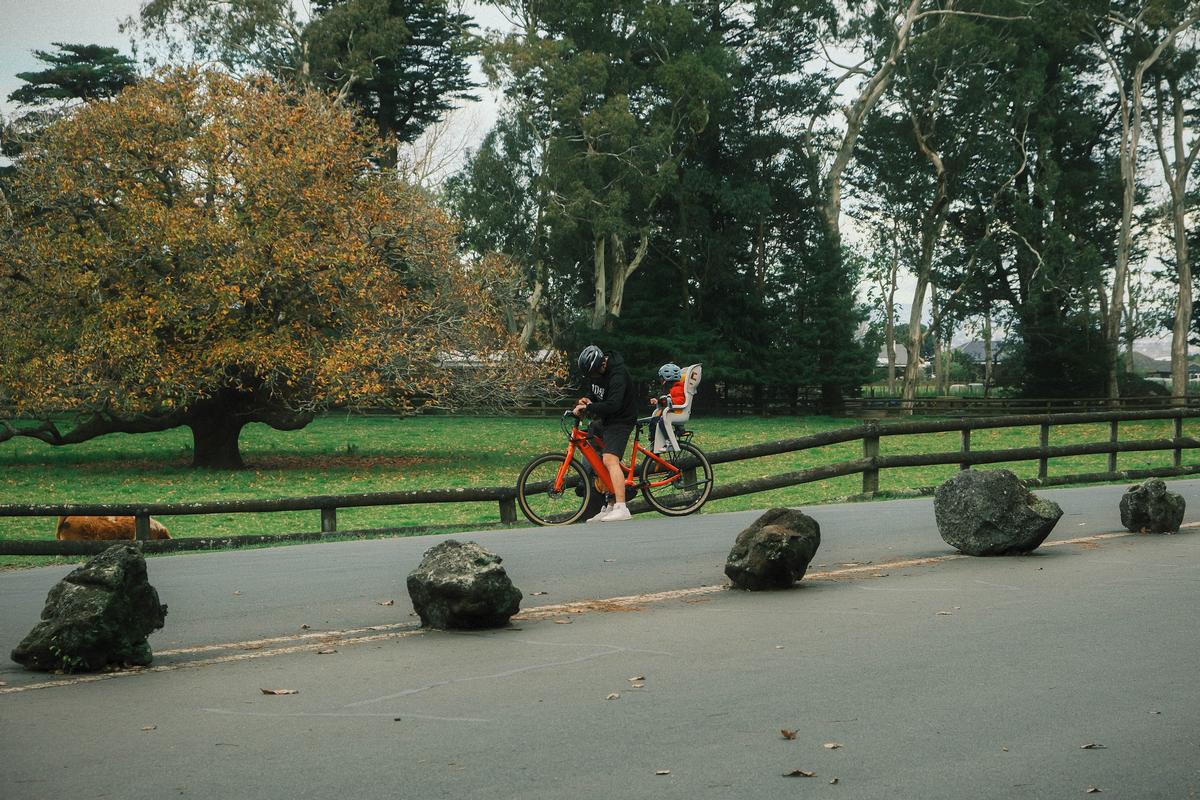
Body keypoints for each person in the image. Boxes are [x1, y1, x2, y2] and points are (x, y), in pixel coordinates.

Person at [572, 345, 638, 522]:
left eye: (593, 374)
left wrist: (589, 407)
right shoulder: (596, 373)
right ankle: (609, 504)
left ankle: (622, 507)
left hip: (621, 420)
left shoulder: (618, 375)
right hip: (606, 420)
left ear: (601, 365)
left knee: (610, 459)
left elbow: (613, 405)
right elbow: (594, 392)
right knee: (596, 457)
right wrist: (587, 400)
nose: (592, 378)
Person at [649, 362, 687, 452]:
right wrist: (659, 400)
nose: (661, 381)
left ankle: (669, 442)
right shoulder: (672, 388)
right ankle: (654, 441)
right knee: (654, 420)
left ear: (667, 378)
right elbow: (666, 398)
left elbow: (680, 400)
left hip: (675, 412)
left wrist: (669, 400)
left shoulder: (677, 388)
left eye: (662, 378)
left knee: (662, 422)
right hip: (671, 411)